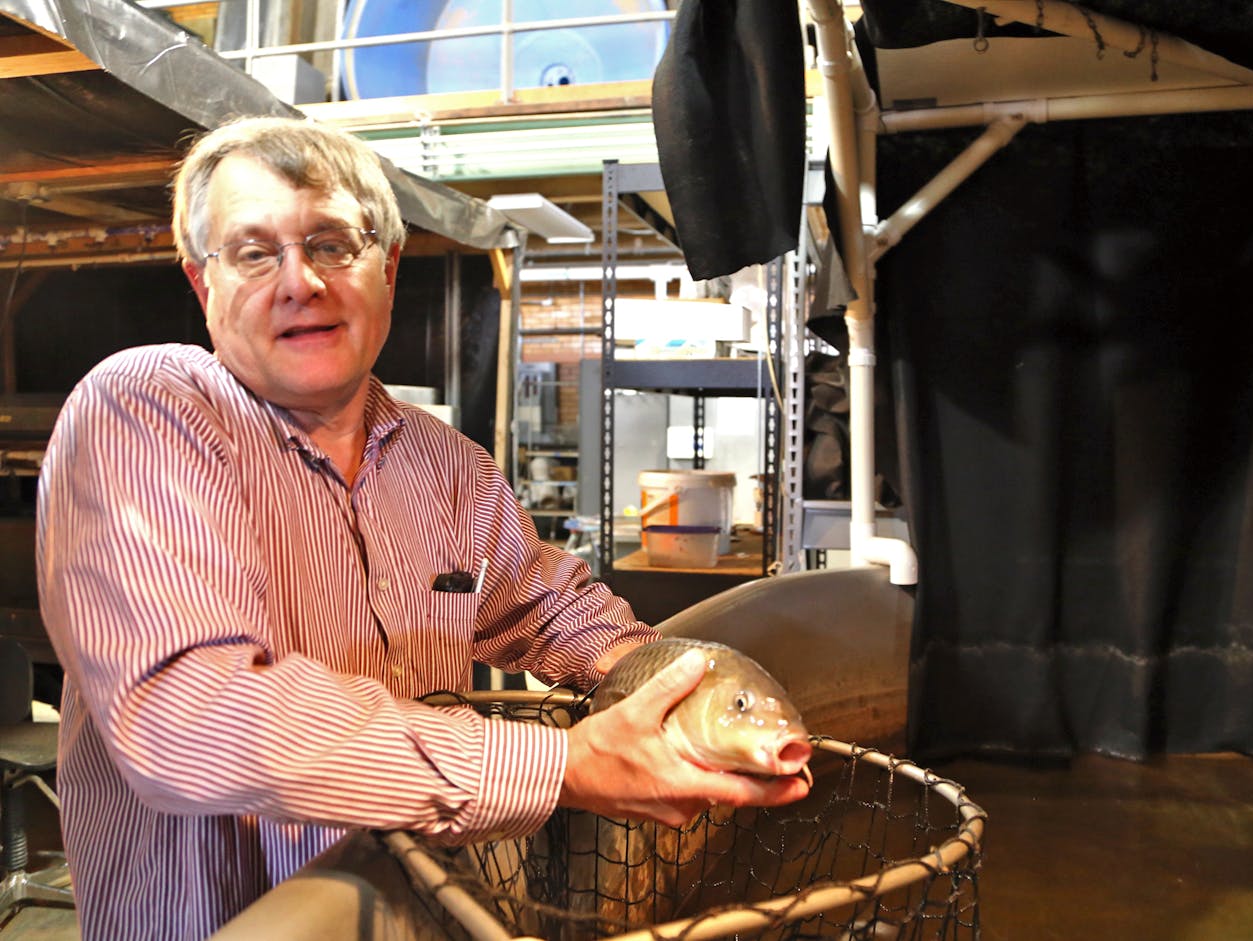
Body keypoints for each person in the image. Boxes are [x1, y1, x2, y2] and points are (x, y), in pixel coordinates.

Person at [35, 115, 809, 940]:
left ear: (388, 268)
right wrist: (564, 764)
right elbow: (187, 719)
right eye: (255, 252)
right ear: (203, 283)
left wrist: (675, 691)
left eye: (332, 242)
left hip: (408, 908)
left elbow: (547, 608)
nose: (300, 281)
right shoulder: (149, 408)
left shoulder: (447, 469)